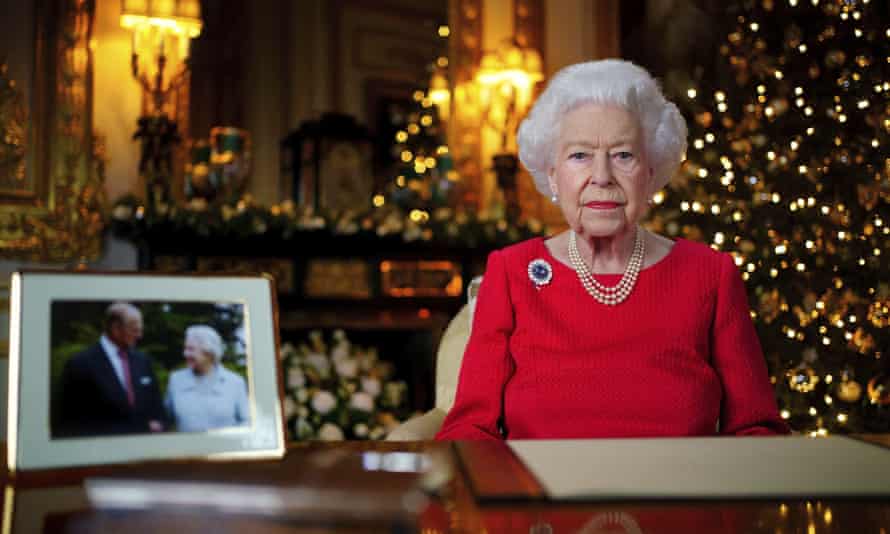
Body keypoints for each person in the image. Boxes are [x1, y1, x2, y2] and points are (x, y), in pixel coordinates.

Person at [436, 60, 789, 440]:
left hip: (676, 495)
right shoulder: (511, 272)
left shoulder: (709, 274)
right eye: (579, 156)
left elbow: (757, 430)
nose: (602, 177)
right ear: (552, 173)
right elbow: (469, 430)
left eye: (623, 155)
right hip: (542, 496)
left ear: (651, 172)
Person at [57, 302, 165, 437]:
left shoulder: (143, 361)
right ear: (116, 329)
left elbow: (158, 408)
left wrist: (159, 424)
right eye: (135, 330)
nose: (139, 336)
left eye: (140, 330)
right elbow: (68, 422)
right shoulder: (80, 364)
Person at [165, 324, 250, 432]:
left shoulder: (235, 382)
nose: (185, 354)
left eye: (191, 349)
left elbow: (246, 421)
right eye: (185, 348)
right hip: (186, 448)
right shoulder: (176, 380)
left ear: (208, 353)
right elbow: (165, 420)